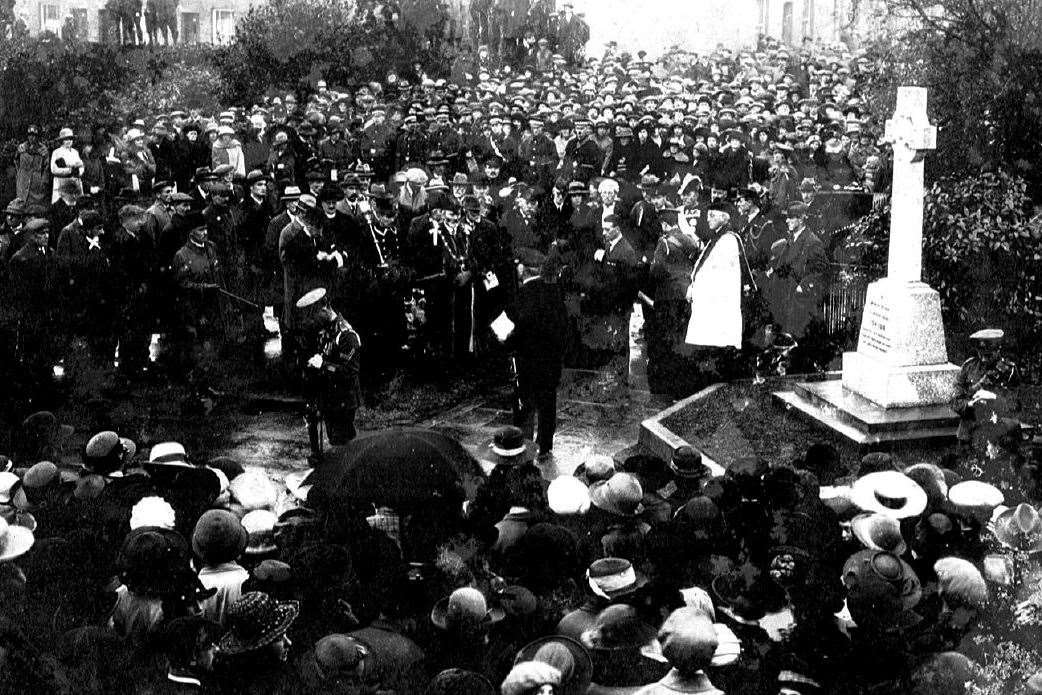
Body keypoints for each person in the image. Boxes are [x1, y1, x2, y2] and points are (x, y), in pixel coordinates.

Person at [502, 249, 568, 459]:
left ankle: (524, 447)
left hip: (526, 362)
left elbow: (509, 329)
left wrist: (502, 341)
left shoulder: (522, 294)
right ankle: (545, 446)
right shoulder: (554, 291)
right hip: (551, 362)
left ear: (524, 268)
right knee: (548, 404)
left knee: (524, 406)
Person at [296, 287, 362, 455]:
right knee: (334, 443)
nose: (312, 321)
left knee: (344, 449)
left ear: (325, 308)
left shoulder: (346, 335)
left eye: (314, 315)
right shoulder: (326, 331)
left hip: (344, 401)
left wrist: (323, 365)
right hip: (330, 399)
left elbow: (348, 372)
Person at [685, 202, 746, 351]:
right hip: (710, 303)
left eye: (712, 215)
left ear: (725, 218)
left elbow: (716, 275)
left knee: (716, 344)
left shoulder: (728, 240)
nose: (708, 219)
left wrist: (695, 288)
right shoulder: (717, 237)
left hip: (718, 305)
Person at [952, 328, 1020, 446]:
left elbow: (1014, 405)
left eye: (988, 355)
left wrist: (993, 397)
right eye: (981, 354)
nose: (983, 359)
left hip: (998, 432)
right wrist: (969, 405)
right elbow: (954, 400)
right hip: (969, 433)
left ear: (998, 350)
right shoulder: (968, 367)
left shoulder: (1008, 371)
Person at [50, 128, 83, 204]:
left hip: (75, 183)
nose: (69, 141)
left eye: (71, 139)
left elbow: (81, 166)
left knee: (75, 206)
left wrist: (79, 171)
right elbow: (53, 169)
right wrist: (69, 170)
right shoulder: (57, 152)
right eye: (66, 139)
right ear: (62, 141)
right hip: (62, 184)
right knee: (63, 207)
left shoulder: (75, 152)